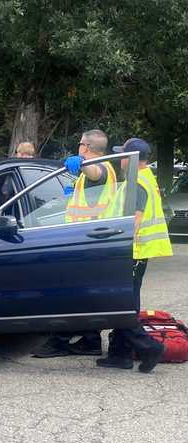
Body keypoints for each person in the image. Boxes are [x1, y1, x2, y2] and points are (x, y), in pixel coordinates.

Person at [31, 129, 116, 358]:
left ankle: (59, 340)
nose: (78, 147)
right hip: (89, 240)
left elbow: (94, 173)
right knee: (85, 294)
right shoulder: (101, 170)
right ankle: (90, 340)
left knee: (66, 293)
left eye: (80, 144)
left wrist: (83, 163)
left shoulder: (99, 168)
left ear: (85, 147)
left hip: (85, 242)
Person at [95, 138, 172, 373]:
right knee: (126, 302)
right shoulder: (144, 178)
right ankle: (120, 354)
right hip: (136, 252)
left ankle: (149, 347)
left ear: (133, 159)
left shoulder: (136, 182)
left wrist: (118, 246)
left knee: (120, 303)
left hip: (131, 252)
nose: (120, 159)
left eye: (123, 156)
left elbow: (135, 220)